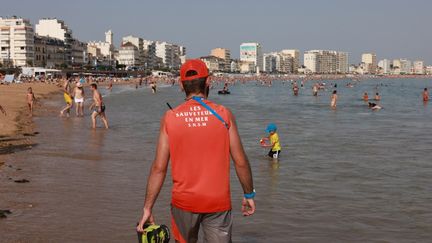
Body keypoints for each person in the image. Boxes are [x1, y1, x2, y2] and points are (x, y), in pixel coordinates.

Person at [137, 59, 255, 243]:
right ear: (208, 81)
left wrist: (147, 208)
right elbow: (240, 161)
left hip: (184, 203)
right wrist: (249, 194)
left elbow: (159, 168)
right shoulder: (224, 114)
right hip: (218, 202)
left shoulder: (170, 117)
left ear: (181, 85)